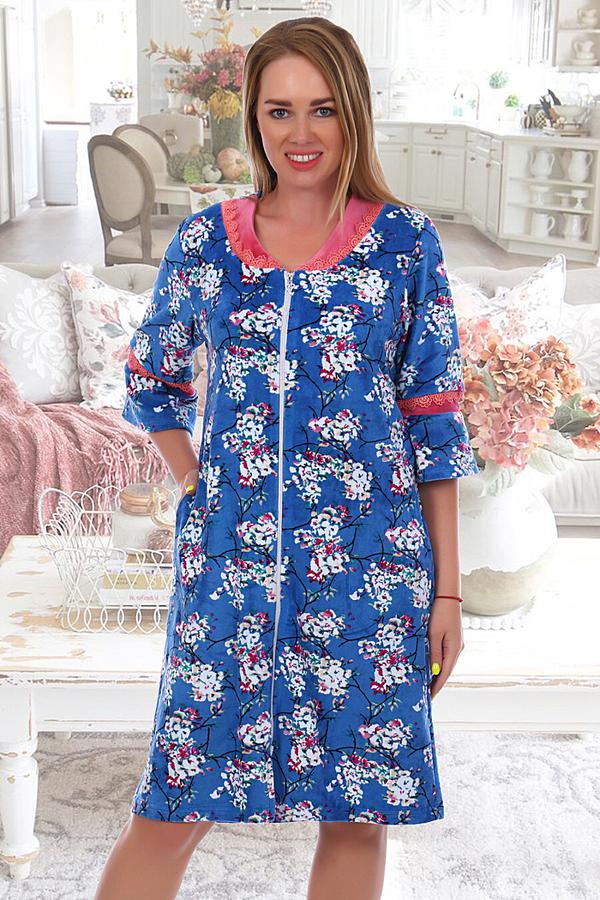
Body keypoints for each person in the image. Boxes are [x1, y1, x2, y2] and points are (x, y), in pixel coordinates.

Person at [94, 15, 478, 900]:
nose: (300, 133)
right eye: (278, 111)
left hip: (374, 575)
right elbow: (151, 379)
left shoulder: (406, 245)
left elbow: (434, 424)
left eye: (322, 108)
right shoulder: (207, 243)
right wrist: (201, 484)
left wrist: (449, 593)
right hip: (228, 574)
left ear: (354, 114)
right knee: (172, 806)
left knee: (357, 815)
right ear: (254, 120)